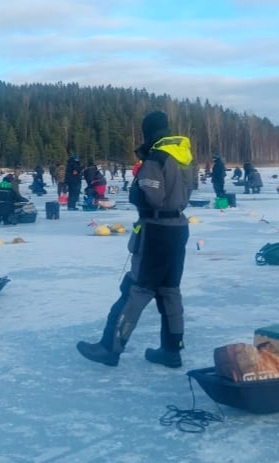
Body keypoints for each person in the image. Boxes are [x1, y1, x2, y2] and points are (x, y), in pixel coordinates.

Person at [77, 111, 193, 368]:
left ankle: (111, 347)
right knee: (169, 290)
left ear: (148, 131)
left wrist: (137, 190)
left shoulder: (156, 159)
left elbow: (153, 196)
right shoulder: (183, 157)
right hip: (178, 228)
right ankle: (172, 351)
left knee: (138, 288)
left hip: (156, 229)